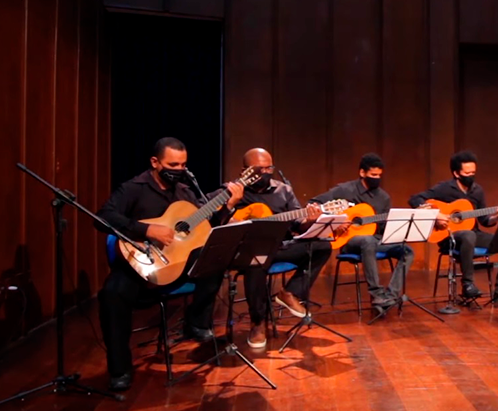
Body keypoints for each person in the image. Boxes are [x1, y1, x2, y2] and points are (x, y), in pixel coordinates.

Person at [96, 137, 243, 391]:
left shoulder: (186, 191)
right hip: (141, 265)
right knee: (112, 294)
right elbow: (103, 218)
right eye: (172, 164)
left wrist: (228, 204)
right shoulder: (133, 188)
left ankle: (196, 323)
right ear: (155, 162)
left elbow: (205, 229)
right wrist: (146, 229)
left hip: (178, 263)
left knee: (216, 257)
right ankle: (120, 369)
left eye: (183, 165)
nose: (178, 170)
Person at [233, 148, 330, 349]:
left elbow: (298, 224)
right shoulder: (233, 191)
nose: (266, 172)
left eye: (270, 168)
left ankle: (290, 293)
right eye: (260, 169)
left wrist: (309, 220)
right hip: (248, 250)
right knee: (256, 262)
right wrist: (231, 209)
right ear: (245, 171)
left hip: (280, 247)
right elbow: (214, 215)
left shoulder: (283, 190)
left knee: (322, 246)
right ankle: (258, 323)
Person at [408, 150, 498, 302]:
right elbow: (415, 199)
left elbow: (485, 221)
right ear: (457, 173)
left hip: (473, 234)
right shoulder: (445, 188)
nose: (471, 176)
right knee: (468, 235)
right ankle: (468, 285)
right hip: (449, 235)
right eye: (467, 173)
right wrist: (435, 215)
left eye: (473, 172)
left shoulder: (477, 191)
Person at [310, 153, 413, 309]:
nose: (377, 178)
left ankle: (390, 296)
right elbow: (314, 204)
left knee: (407, 250)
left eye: (379, 175)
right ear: (362, 173)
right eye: (373, 175)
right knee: (367, 240)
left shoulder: (383, 197)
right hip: (348, 240)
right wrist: (335, 222)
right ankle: (377, 295)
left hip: (375, 240)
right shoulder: (345, 190)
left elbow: (383, 228)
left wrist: (397, 224)